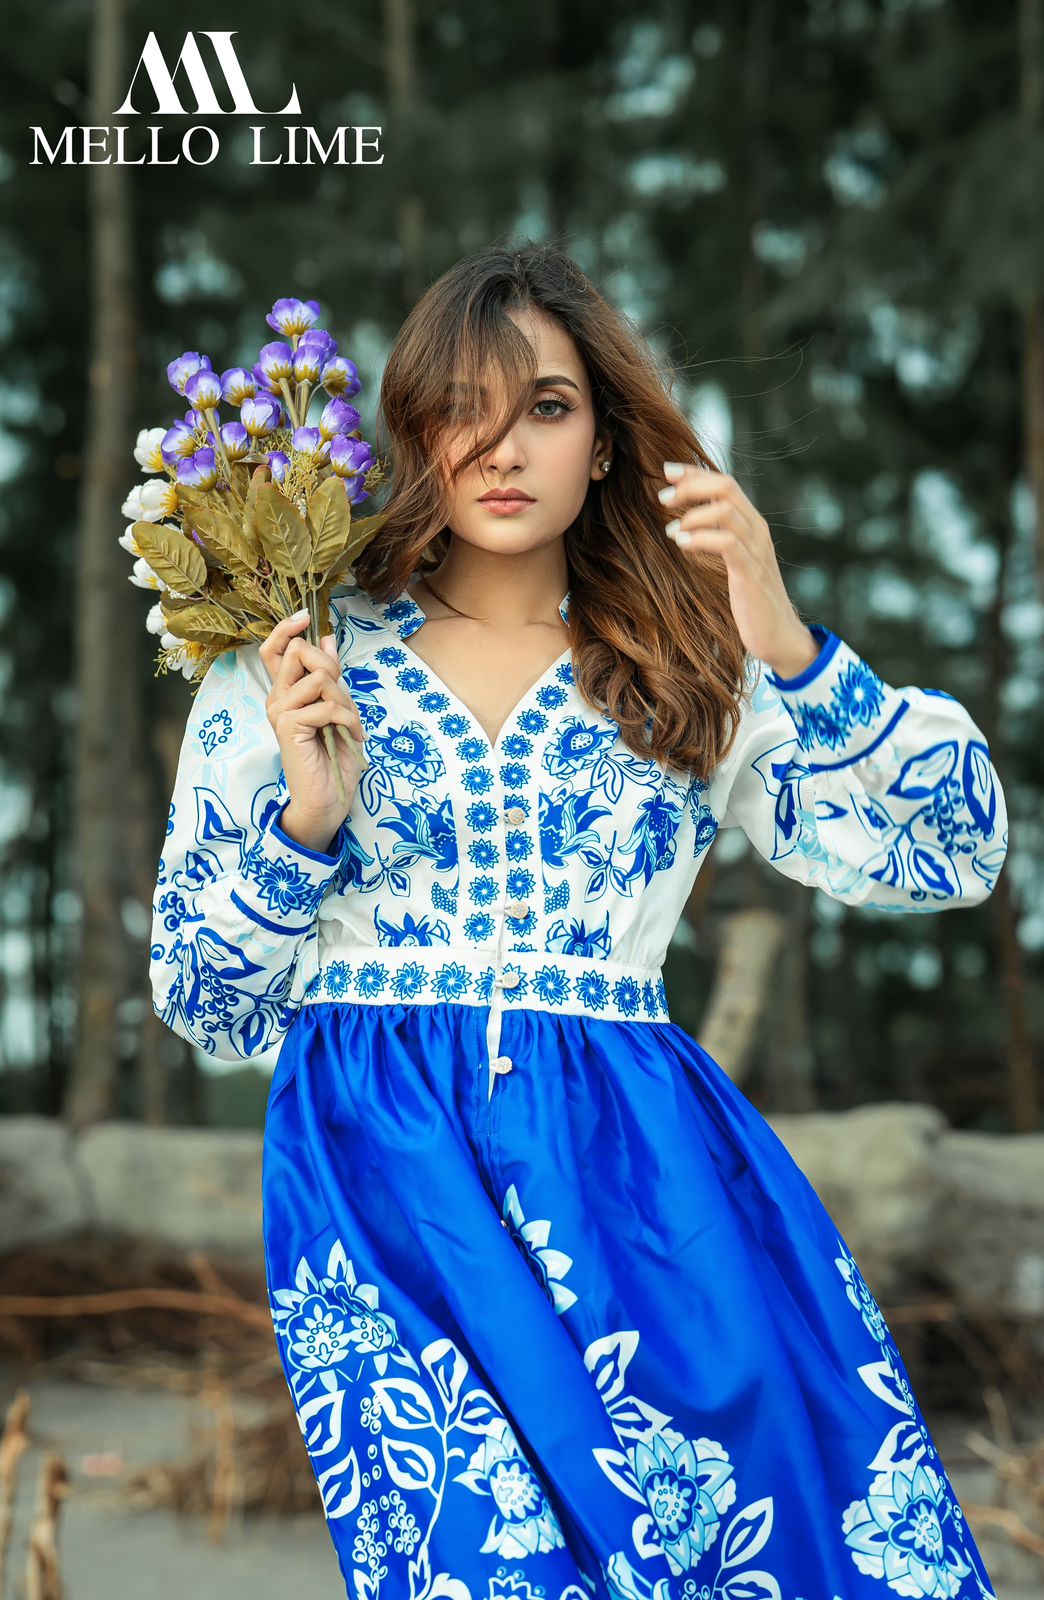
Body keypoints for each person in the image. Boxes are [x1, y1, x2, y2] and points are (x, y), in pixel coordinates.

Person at [149, 241, 1007, 1600]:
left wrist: (785, 637)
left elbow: (947, 853)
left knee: (737, 1547)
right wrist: (303, 827)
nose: (502, 446)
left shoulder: (689, 666)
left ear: (606, 441)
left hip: (641, 1179)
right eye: (461, 407)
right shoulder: (303, 663)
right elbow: (205, 1005)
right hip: (385, 1180)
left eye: (546, 406)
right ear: (411, 432)